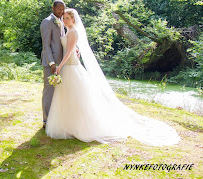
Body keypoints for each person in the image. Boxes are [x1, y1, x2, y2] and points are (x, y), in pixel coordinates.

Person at [45, 8, 180, 146]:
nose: (65, 20)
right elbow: (73, 49)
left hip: (71, 66)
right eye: (64, 18)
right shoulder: (68, 31)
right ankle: (69, 125)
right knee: (69, 97)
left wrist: (59, 66)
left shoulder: (73, 31)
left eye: (67, 18)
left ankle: (80, 126)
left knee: (77, 98)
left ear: (73, 19)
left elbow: (68, 52)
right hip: (69, 67)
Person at [40, 0, 66, 128]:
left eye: (63, 9)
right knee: (49, 92)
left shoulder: (62, 21)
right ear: (53, 8)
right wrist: (51, 63)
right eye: (59, 9)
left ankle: (55, 119)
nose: (61, 11)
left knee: (58, 91)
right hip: (50, 64)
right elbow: (46, 45)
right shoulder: (47, 22)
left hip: (61, 62)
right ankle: (46, 120)